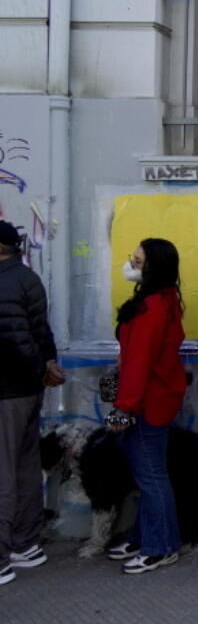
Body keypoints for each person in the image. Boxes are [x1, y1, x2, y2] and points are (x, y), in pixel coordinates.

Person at [105, 238, 189, 574]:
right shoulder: (161, 298)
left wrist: (124, 408)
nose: (131, 265)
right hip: (155, 397)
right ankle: (144, 536)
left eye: (137, 261)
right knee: (148, 473)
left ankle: (161, 546)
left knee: (151, 476)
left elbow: (140, 361)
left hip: (147, 402)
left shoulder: (153, 306)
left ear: (154, 266)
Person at [0, 220, 64, 587]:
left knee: (4, 472)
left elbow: (14, 337)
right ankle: (26, 544)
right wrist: (47, 364)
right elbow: (40, 330)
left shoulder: (5, 282)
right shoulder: (26, 279)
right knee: (24, 466)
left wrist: (41, 365)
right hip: (26, 389)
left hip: (7, 390)